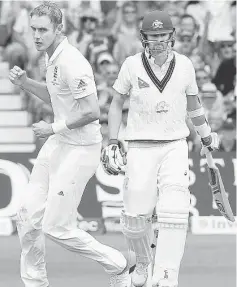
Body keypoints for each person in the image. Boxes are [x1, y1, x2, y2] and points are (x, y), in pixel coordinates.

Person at [8, 2, 131, 287]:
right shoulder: (50, 58)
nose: (36, 36)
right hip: (59, 143)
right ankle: (35, 283)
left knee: (56, 227)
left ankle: (118, 264)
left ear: (59, 29)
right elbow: (58, 100)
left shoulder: (72, 62)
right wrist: (26, 83)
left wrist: (53, 127)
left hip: (80, 148)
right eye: (33, 30)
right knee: (26, 215)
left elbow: (91, 111)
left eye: (43, 30)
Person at [101, 10, 220, 287]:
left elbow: (194, 105)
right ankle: (143, 261)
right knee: (134, 216)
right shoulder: (131, 64)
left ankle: (166, 275)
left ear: (172, 36)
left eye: (163, 35)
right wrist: (113, 140)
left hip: (175, 145)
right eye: (153, 36)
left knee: (175, 210)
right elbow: (116, 103)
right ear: (143, 37)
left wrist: (205, 134)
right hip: (140, 146)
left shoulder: (186, 65)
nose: (158, 41)